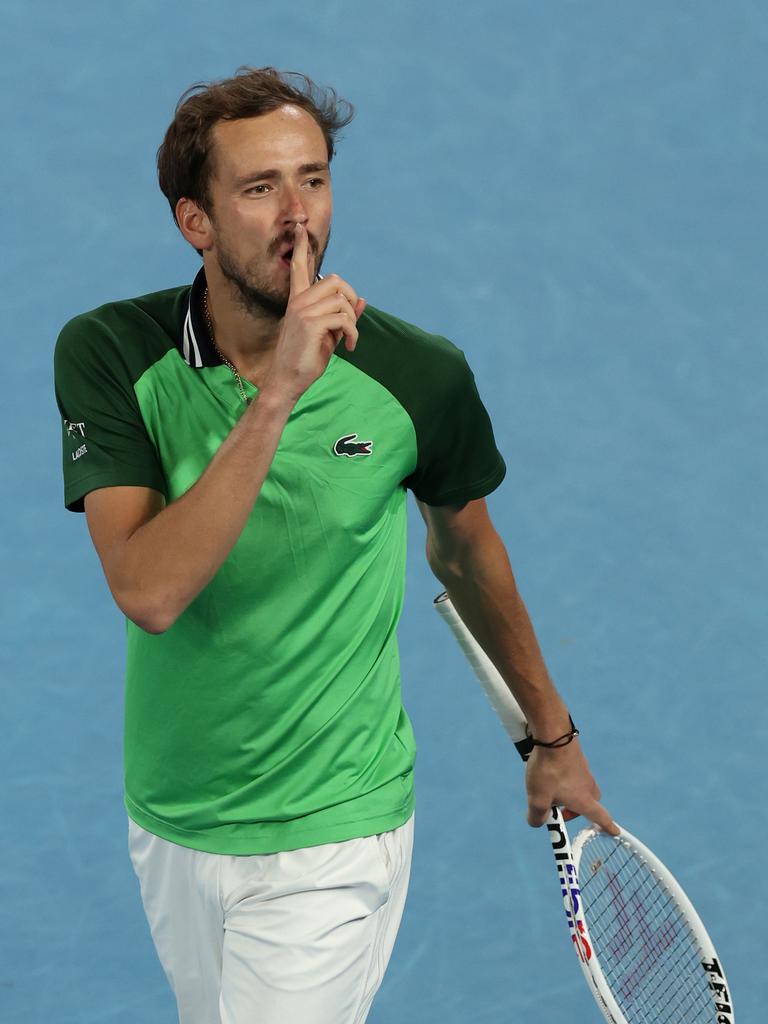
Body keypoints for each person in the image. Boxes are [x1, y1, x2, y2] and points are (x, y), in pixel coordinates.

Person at [54, 66, 617, 1024]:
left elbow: (467, 553)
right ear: (195, 220)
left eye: (313, 179)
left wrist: (552, 737)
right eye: (260, 187)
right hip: (176, 817)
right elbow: (148, 588)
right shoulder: (110, 353)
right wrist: (279, 391)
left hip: (332, 833)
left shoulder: (416, 376)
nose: (297, 216)